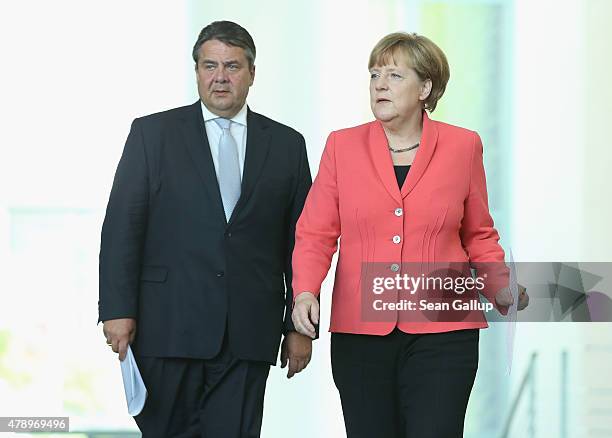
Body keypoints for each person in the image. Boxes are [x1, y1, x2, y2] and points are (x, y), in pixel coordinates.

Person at [291, 32, 529, 438]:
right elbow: (316, 232)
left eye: (395, 75)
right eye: (374, 73)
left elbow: (479, 233)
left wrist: (499, 284)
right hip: (362, 331)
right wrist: (305, 291)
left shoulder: (463, 146)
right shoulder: (341, 146)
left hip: (444, 330)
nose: (380, 83)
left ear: (426, 88)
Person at [98, 20, 313, 438]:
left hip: (248, 333)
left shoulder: (288, 145)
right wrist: (117, 309)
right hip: (167, 327)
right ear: (196, 70)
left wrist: (297, 327)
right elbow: (122, 229)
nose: (220, 77)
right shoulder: (152, 134)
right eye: (209, 65)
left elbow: (302, 243)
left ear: (252, 73)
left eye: (232, 66)